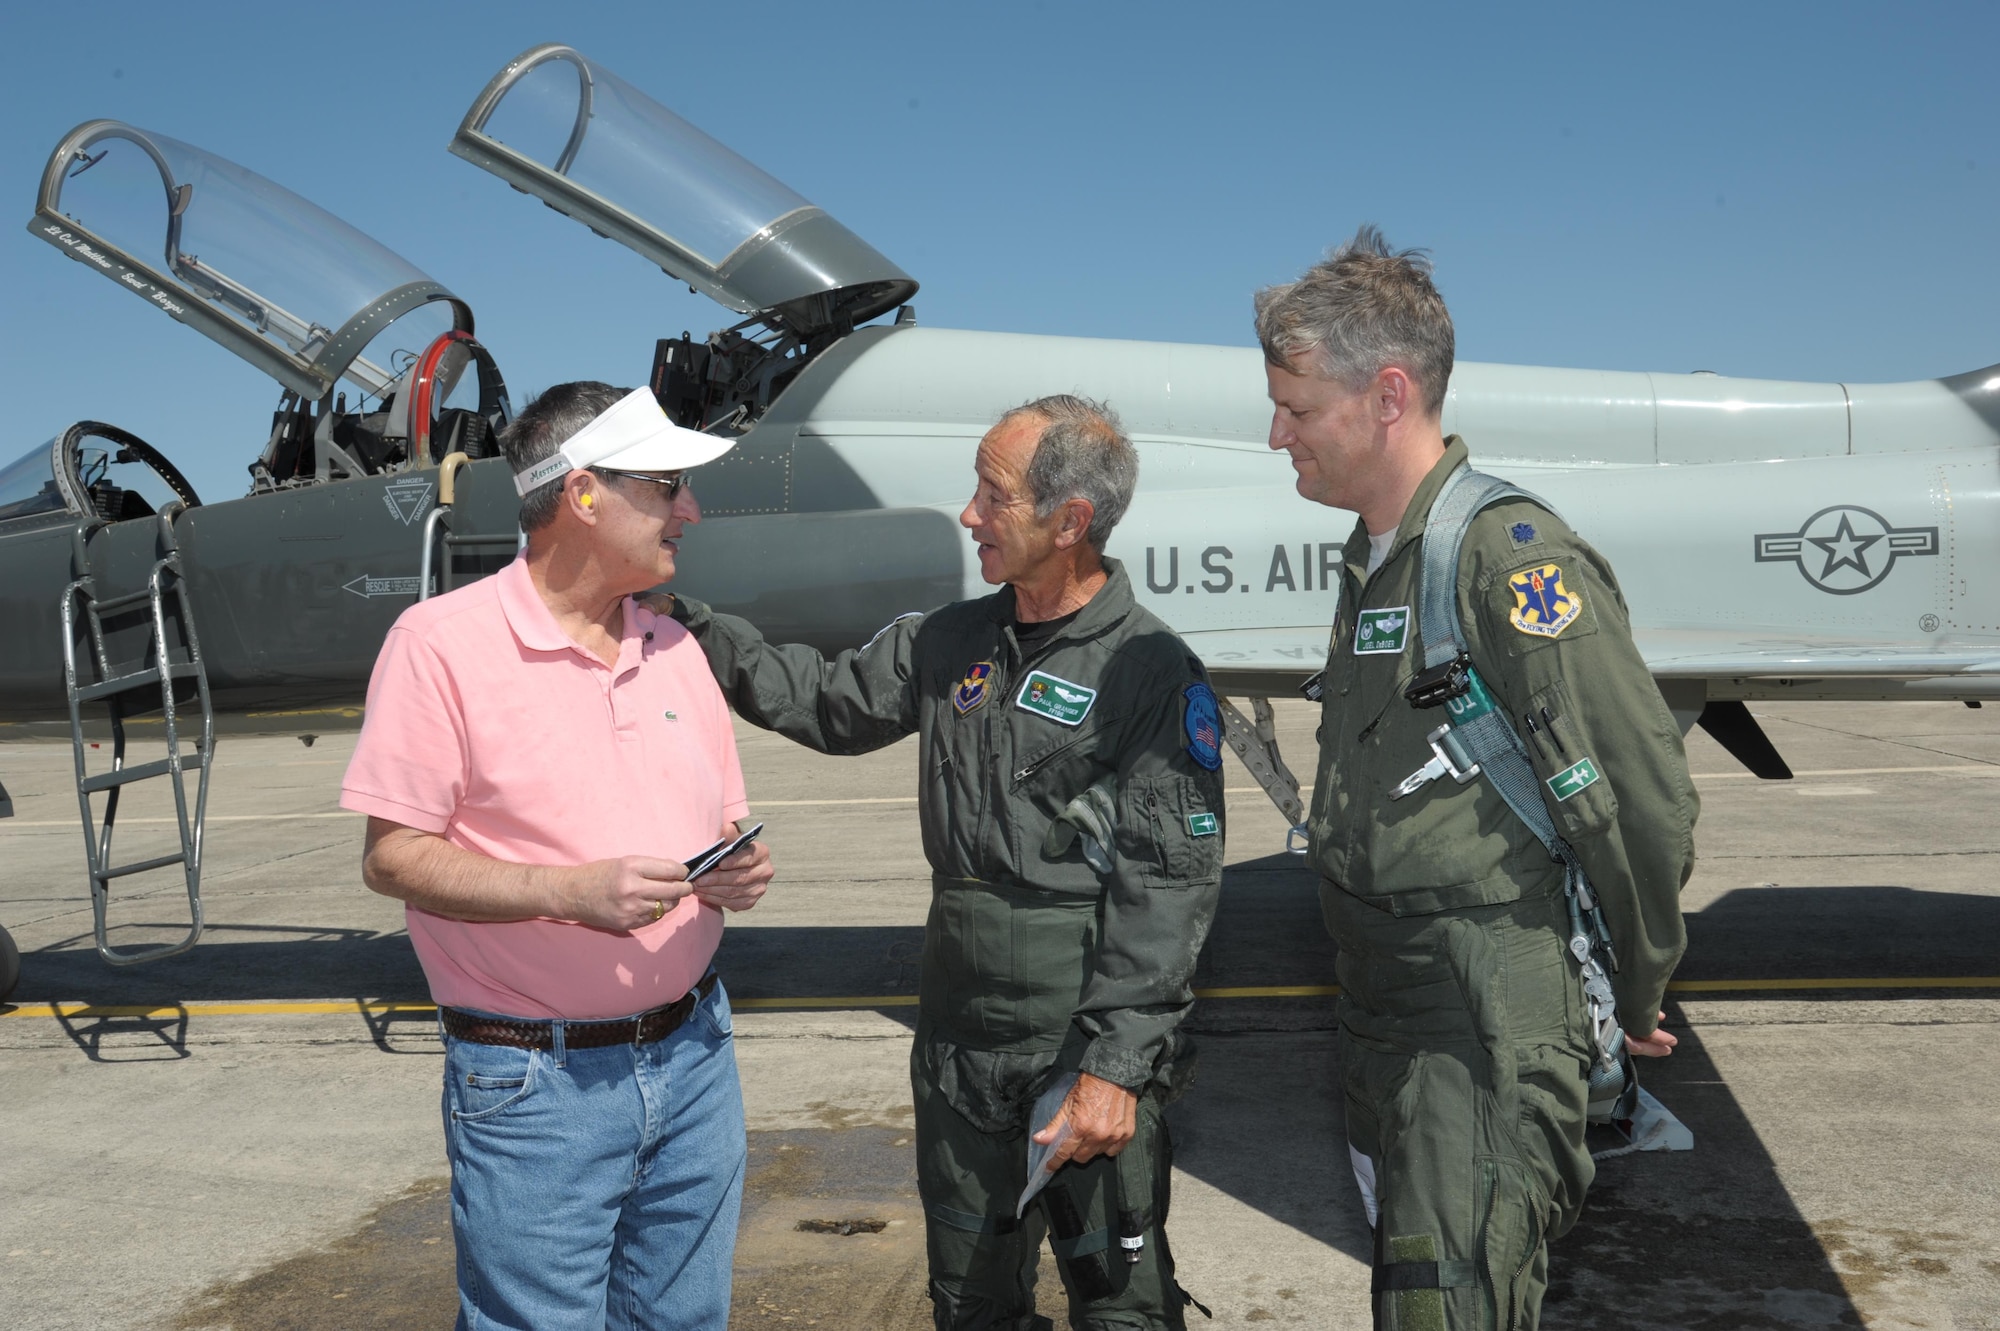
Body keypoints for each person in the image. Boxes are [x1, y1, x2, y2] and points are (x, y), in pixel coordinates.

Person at [660, 395, 1224, 1330]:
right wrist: (693, 627)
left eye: (991, 495)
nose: (969, 514)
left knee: (1119, 1300)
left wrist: (1117, 1067)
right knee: (968, 1301)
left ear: (1069, 520)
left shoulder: (1150, 669)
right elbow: (827, 704)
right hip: (957, 1047)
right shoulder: (950, 643)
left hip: (1076, 1042)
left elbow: (1169, 885)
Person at [1257, 229, 1698, 1329]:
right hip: (1383, 1013)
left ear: (1387, 394)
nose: (1278, 435)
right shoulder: (1375, 560)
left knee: (1446, 1303)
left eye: (1298, 408)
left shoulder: (1505, 557)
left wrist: (1636, 983)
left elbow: (1637, 798)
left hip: (1478, 1013)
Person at [340, 381, 775, 1331]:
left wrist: (735, 871)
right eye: (665, 487)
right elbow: (393, 857)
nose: (689, 510)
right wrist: (567, 892)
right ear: (584, 496)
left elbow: (722, 824)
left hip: (698, 1057)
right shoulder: (439, 646)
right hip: (537, 1086)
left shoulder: (676, 647)